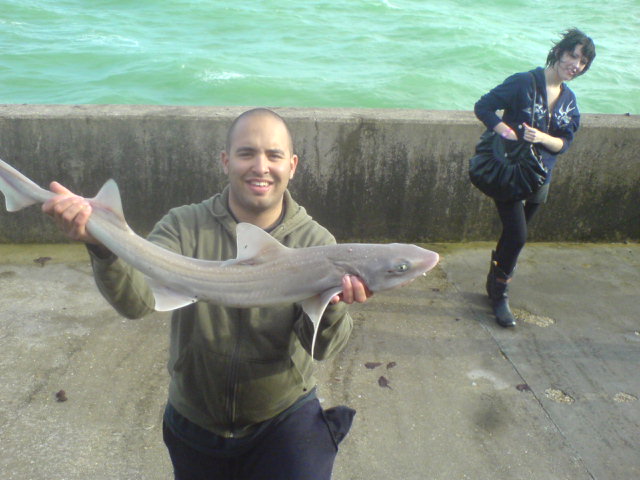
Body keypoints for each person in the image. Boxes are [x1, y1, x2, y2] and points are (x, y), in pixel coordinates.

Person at [43, 108, 372, 480]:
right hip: (195, 419)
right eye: (247, 153)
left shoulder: (315, 243)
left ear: (292, 165)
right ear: (225, 160)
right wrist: (103, 247)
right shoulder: (183, 226)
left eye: (274, 155)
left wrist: (331, 308)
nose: (260, 166)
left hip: (281, 418)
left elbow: (322, 350)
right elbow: (136, 304)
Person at [474, 28, 596, 327]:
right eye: (573, 56)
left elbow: (564, 143)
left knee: (513, 236)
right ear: (559, 52)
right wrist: (505, 131)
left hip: (541, 175)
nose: (576, 65)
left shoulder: (569, 100)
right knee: (518, 235)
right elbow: (484, 107)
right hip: (511, 170)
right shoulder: (523, 82)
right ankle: (501, 293)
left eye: (583, 62)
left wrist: (542, 137)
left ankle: (493, 282)